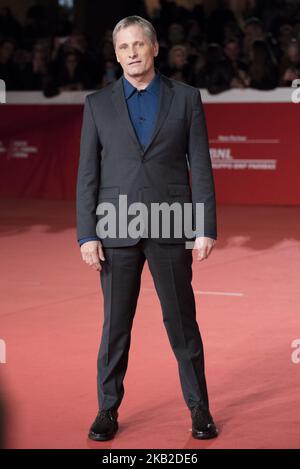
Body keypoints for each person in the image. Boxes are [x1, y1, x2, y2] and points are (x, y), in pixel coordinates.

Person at [76, 15, 218, 442]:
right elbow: (87, 176)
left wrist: (205, 226)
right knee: (115, 327)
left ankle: (199, 409)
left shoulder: (187, 98)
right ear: (116, 53)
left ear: (155, 48)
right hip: (114, 228)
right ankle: (107, 409)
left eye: (139, 44)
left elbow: (202, 167)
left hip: (171, 225)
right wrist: (87, 233)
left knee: (182, 323)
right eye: (124, 47)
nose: (132, 53)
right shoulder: (97, 104)